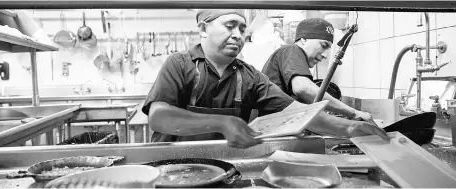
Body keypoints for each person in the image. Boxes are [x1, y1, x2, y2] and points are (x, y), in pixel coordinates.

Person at [142, 10, 389, 149]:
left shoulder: (249, 76)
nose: (237, 35)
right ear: (204, 30)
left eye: (242, 29)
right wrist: (221, 123)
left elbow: (299, 112)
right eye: (230, 26)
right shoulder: (179, 64)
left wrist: (349, 127)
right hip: (174, 169)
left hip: (228, 168)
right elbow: (159, 117)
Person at [262, 18, 376, 124]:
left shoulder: (288, 56)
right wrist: (354, 113)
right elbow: (304, 88)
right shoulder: (291, 50)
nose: (325, 55)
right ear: (303, 39)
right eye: (323, 45)